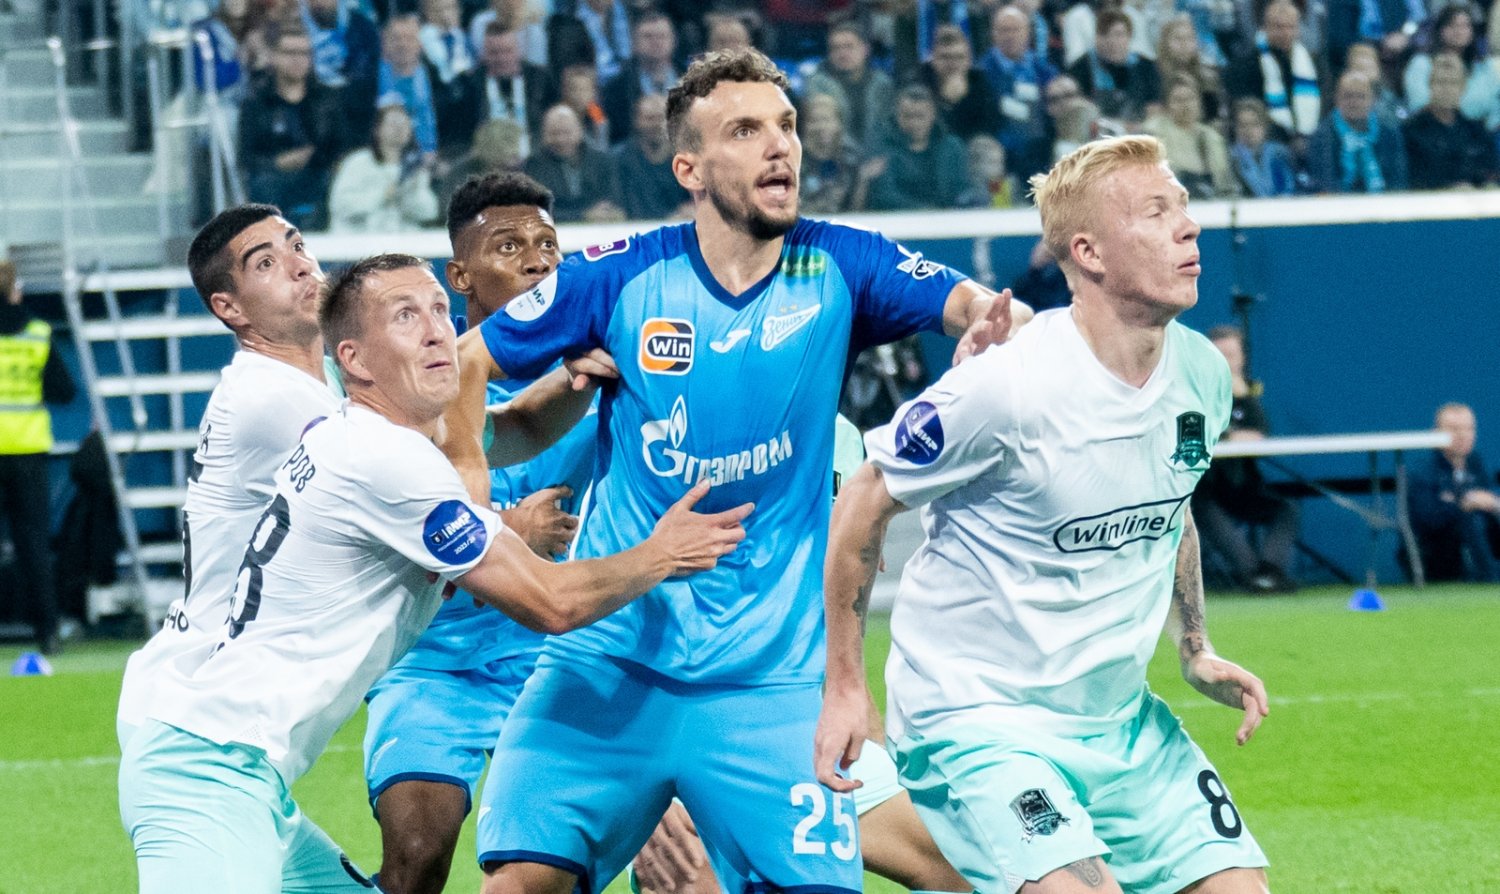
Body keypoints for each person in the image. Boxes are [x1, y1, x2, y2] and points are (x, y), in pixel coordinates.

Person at [448, 47, 1022, 894]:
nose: (779, 145)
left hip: (768, 684)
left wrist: (987, 332)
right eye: (746, 130)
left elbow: (979, 306)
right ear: (689, 167)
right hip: (608, 665)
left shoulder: (842, 263)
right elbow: (467, 362)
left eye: (785, 126)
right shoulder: (619, 276)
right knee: (519, 886)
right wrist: (469, 489)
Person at [118, 250, 750, 893]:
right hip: (207, 772)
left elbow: (512, 430)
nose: (435, 331)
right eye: (404, 316)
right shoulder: (386, 461)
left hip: (242, 775)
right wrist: (662, 553)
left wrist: (573, 381)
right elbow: (551, 602)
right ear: (354, 359)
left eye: (439, 311)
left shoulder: (379, 436)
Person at [817, 135, 1272, 894]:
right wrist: (845, 684)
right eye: (1155, 213)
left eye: (1183, 208)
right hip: (978, 724)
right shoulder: (1006, 386)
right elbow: (864, 497)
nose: (1187, 227)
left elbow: (1170, 499)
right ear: (1088, 253)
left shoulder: (1201, 372)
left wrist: (1195, 646)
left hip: (1121, 724)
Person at [361, 173, 598, 894]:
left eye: (548, 244)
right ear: (460, 275)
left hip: (558, 657)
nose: (537, 261)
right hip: (435, 664)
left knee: (614, 855)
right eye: (510, 246)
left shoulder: (595, 375)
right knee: (416, 852)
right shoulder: (418, 386)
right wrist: (508, 532)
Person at [115, 204, 340, 751]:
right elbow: (410, 504)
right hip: (199, 712)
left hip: (218, 704)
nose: (300, 265)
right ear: (228, 307)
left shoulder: (322, 378)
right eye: (266, 263)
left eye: (297, 245)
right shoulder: (269, 398)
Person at [0, 259, 76, 656]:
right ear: (15, 291)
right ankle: (47, 631)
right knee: (33, 545)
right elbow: (64, 392)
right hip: (27, 452)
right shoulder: (37, 334)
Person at [1193, 324, 1300, 593]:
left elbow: (1258, 435)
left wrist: (1242, 398)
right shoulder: (1194, 393)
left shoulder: (1247, 397)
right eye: (1219, 356)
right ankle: (1251, 574)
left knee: (1286, 508)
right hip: (1206, 489)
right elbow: (1199, 435)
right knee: (1203, 507)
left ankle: (1269, 571)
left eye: (1231, 355)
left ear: (1242, 359)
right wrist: (1229, 436)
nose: (1226, 363)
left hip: (1242, 487)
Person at [240, 27, 346, 229]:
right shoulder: (255, 103)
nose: (298, 59)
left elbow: (340, 147)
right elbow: (246, 158)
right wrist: (278, 163)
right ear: (274, 56)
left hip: (319, 175)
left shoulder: (327, 99)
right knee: (264, 185)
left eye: (304, 53)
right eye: (290, 53)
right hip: (273, 181)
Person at [1408, 403, 1500, 583]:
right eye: (1454, 429)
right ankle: (1490, 579)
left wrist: (1493, 503)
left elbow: (1488, 499)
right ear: (1436, 433)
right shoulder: (1423, 470)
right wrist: (1463, 505)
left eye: (1469, 429)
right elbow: (1429, 520)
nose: (1462, 435)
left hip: (1478, 540)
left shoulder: (1476, 463)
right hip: (1435, 549)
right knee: (1472, 519)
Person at [328, 103, 442, 231]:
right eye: (393, 124)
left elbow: (429, 212)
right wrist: (383, 195)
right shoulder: (358, 162)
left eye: (404, 124)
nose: (399, 129)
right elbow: (340, 204)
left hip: (402, 238)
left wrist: (410, 195)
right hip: (361, 238)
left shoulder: (413, 168)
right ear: (377, 129)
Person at [1226, 1, 1323, 151]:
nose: (1285, 33)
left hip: (1310, 140)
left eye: (1291, 27)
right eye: (1279, 27)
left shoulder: (1313, 63)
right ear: (1265, 28)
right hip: (1267, 142)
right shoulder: (1246, 65)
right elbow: (1248, 107)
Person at [1402, 54, 1499, 190]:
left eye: (1453, 83)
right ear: (1430, 85)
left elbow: (1490, 172)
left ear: (1463, 87)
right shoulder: (1412, 131)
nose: (1447, 89)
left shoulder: (1477, 131)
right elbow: (1413, 180)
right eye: (1441, 82)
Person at [867, 84, 969, 211]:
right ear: (897, 116)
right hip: (899, 219)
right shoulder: (882, 148)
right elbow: (885, 196)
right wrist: (928, 212)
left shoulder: (952, 148)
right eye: (907, 116)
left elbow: (962, 188)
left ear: (933, 115)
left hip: (949, 217)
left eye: (920, 116)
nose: (914, 123)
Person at [1306, 70, 1409, 193]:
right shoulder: (1323, 136)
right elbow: (1325, 182)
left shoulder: (1389, 132)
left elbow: (1398, 178)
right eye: (1348, 96)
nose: (1354, 102)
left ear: (1373, 100)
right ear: (1336, 99)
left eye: (1361, 96)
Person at [801, 23, 897, 152]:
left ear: (865, 49)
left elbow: (889, 127)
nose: (842, 53)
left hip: (879, 156)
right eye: (836, 48)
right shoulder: (817, 85)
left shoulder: (883, 84)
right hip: (832, 155)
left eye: (849, 47)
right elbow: (820, 129)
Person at [979, 5, 1057, 162]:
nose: (1010, 36)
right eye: (1004, 30)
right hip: (997, 152)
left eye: (1015, 30)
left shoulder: (1045, 71)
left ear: (1027, 33)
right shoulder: (980, 73)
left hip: (1040, 150)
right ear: (993, 34)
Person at [522, 104, 622, 222]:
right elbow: (537, 211)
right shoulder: (534, 165)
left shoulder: (602, 161)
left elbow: (614, 199)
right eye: (554, 133)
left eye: (566, 132)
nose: (561, 139)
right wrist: (583, 216)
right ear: (543, 135)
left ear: (580, 131)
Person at [1147, 76, 1238, 198]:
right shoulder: (1154, 133)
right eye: (1178, 100)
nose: (1186, 105)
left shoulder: (1212, 137)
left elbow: (1224, 179)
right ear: (1167, 105)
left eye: (1190, 98)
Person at [1067, 9, 1161, 127]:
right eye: (1105, 35)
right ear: (1096, 37)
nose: (1112, 41)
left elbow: (1154, 107)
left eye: (1119, 35)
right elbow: (1077, 112)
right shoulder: (1080, 68)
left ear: (1129, 37)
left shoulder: (1146, 67)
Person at [601, 12, 680, 146]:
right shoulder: (616, 88)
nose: (656, 42)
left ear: (674, 41)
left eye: (662, 36)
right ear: (634, 43)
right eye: (648, 36)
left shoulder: (693, 81)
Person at [610, 94, 692, 220]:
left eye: (662, 118)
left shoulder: (687, 160)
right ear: (636, 121)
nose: (657, 124)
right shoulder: (619, 159)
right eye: (650, 119)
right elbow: (615, 205)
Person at [918, 24, 1004, 141]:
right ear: (933, 59)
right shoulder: (920, 82)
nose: (953, 64)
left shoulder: (979, 81)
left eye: (959, 57)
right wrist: (947, 104)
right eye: (945, 57)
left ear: (969, 60)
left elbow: (991, 126)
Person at [1230, 97, 1298, 195]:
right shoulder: (1229, 158)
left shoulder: (1278, 153)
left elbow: (1287, 189)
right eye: (1242, 125)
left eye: (1254, 124)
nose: (1248, 130)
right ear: (1235, 128)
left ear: (1265, 127)